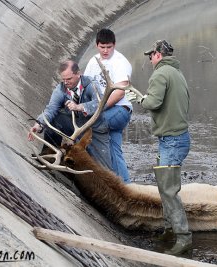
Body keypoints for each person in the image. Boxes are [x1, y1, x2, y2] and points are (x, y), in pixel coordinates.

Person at [126, 40, 192, 255]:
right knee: (166, 187)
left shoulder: (160, 74)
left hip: (171, 140)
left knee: (169, 191)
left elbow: (153, 103)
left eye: (150, 55)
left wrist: (138, 98)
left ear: (158, 55)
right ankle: (169, 231)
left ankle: (183, 239)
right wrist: (143, 97)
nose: (149, 59)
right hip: (178, 138)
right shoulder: (176, 73)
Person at [28, 60, 112, 170]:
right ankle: (47, 157)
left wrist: (80, 107)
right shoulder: (61, 89)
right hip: (74, 128)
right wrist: (39, 124)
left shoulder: (91, 84)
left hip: (95, 130)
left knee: (104, 168)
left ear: (78, 74)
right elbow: (50, 110)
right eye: (63, 79)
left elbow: (102, 104)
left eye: (69, 79)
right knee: (54, 120)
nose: (66, 82)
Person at [84, 28, 132, 184]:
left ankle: (98, 176)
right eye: (102, 47)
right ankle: (126, 187)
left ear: (114, 45)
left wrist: (98, 109)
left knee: (91, 127)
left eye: (109, 47)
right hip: (104, 111)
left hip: (120, 111)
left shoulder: (120, 62)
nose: (105, 51)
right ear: (97, 45)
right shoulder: (93, 61)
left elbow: (120, 93)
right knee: (114, 150)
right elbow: (85, 87)